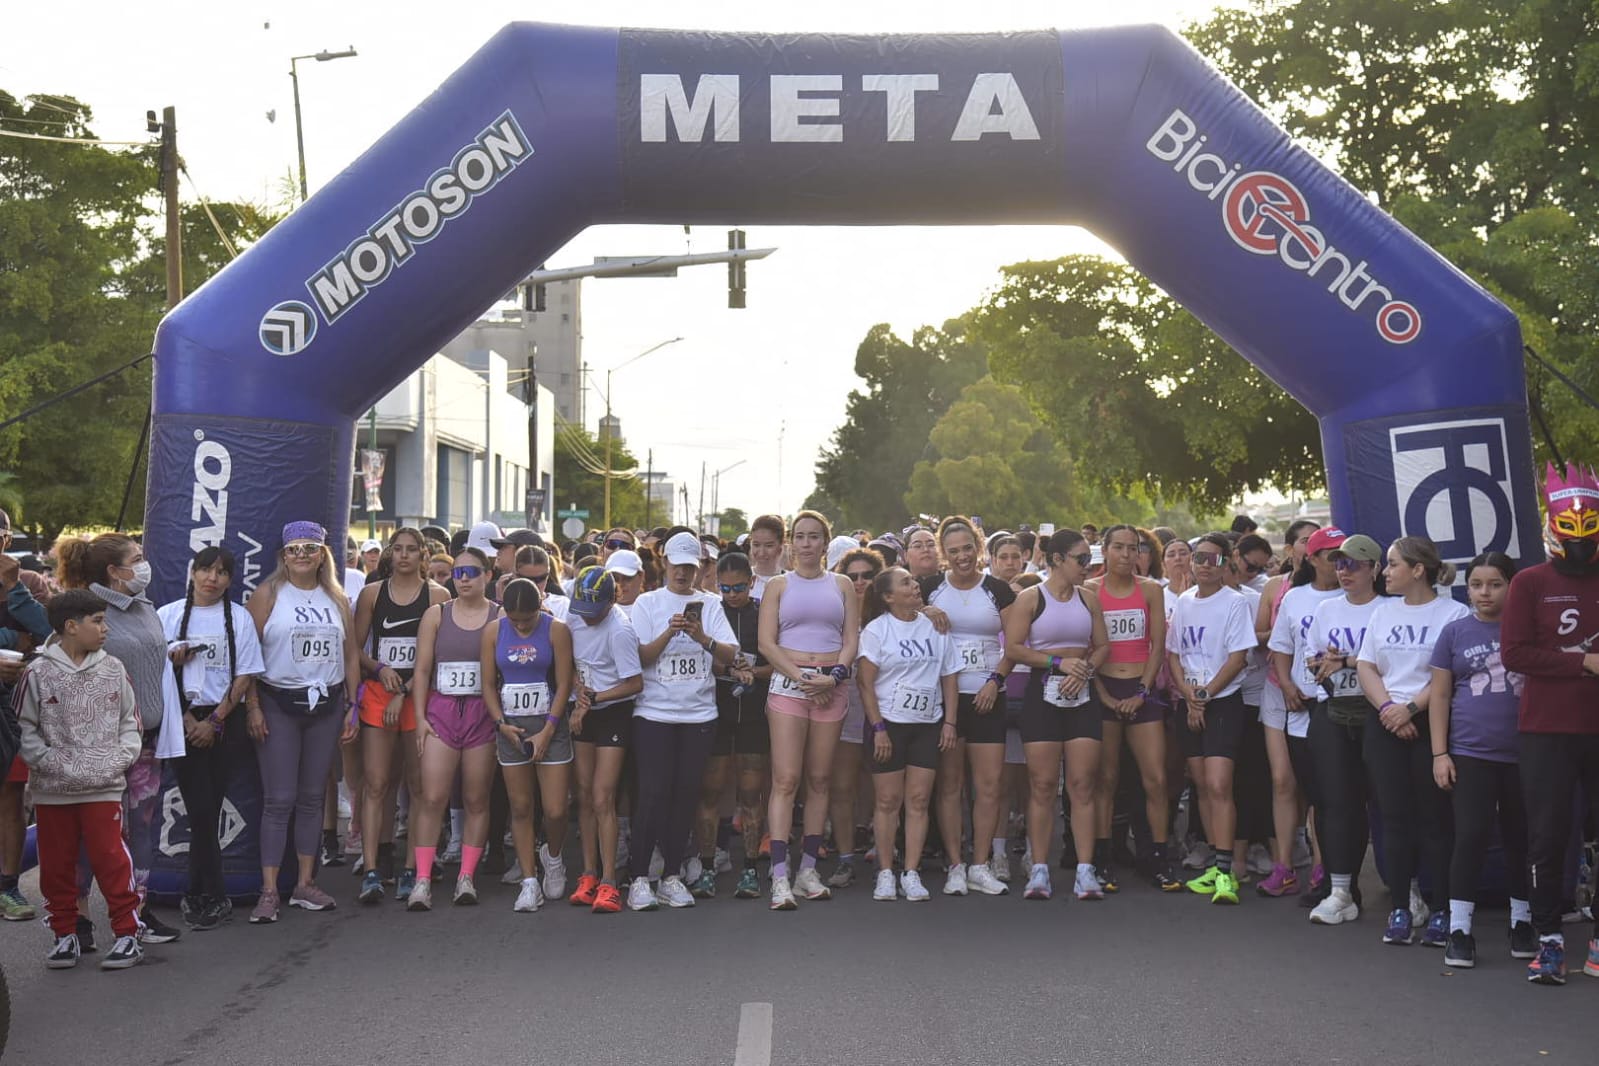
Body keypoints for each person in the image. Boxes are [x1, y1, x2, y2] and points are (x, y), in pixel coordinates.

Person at [57, 533, 183, 942]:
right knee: (91, 833)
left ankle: (138, 912)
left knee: (141, 830)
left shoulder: (143, 605)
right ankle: (78, 916)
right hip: (99, 744)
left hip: (146, 738)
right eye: (137, 558)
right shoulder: (87, 611)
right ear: (114, 571)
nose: (145, 564)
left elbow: (147, 655)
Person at [1501, 463, 1599, 986]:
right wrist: (1581, 663)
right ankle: (1550, 942)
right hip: (1547, 730)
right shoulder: (1530, 582)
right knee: (1547, 837)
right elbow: (1515, 653)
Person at [17, 590, 145, 970]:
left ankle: (126, 933)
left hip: (103, 786)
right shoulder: (37, 672)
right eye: (98, 621)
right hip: (53, 790)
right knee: (56, 864)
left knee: (111, 858)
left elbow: (130, 722)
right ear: (71, 627)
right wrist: (48, 761)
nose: (105, 629)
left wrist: (119, 759)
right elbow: (25, 726)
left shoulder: (114, 668)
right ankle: (64, 933)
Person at [245, 522, 362, 923]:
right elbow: (249, 655)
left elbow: (349, 655)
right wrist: (253, 706)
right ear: (283, 554)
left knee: (313, 797)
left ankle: (305, 883)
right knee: (279, 799)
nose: (301, 556)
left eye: (309, 548)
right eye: (294, 549)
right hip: (279, 703)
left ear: (322, 553)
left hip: (326, 705)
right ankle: (268, 890)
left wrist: (352, 704)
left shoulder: (337, 597)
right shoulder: (268, 594)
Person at [1356, 536, 1468, 946]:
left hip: (1431, 726)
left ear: (1418, 569)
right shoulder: (1382, 613)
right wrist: (1389, 710)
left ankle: (1441, 911)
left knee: (1435, 821)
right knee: (1394, 819)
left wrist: (1411, 710)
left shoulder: (1454, 613)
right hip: (1385, 724)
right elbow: (1366, 666)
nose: (1385, 572)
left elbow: (1449, 675)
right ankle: (1401, 906)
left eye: (1392, 564)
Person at [1428, 552, 1534, 968]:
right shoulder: (1455, 633)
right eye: (1476, 585)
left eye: (1494, 584)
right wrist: (1440, 753)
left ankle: (1522, 920)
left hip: (1526, 753)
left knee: (1520, 839)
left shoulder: (1530, 631)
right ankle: (1459, 928)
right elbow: (1439, 695)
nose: (1484, 593)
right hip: (1470, 753)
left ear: (1512, 586)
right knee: (1469, 838)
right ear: (1466, 587)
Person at [626, 532, 739, 911]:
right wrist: (670, 631)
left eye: (691, 567)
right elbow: (641, 656)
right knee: (654, 792)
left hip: (698, 714)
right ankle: (639, 877)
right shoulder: (647, 602)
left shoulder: (710, 604)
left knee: (685, 795)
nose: (683, 573)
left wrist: (701, 636)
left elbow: (730, 654)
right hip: (655, 713)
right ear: (665, 564)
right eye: (677, 566)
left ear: (699, 568)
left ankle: (672, 875)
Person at [158, 547, 266, 931]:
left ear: (230, 580)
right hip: (180, 720)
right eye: (206, 570)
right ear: (192, 572)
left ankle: (198, 892)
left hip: (224, 721)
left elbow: (245, 674)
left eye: (222, 573)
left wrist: (216, 720)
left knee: (210, 806)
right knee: (198, 808)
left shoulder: (238, 618)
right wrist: (188, 720)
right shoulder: (167, 615)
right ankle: (211, 893)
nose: (212, 578)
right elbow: (158, 675)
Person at [757, 512, 860, 909]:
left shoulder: (843, 584)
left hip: (831, 687)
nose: (806, 544)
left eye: (814, 537)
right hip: (790, 686)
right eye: (799, 537)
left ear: (824, 542)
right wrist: (802, 677)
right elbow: (767, 643)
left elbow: (850, 638)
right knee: (786, 778)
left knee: (820, 780)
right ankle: (780, 875)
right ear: (790, 543)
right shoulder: (779, 586)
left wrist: (833, 676)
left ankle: (807, 869)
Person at [1003, 529, 1110, 902]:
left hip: (1081, 694)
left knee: (1083, 784)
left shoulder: (1089, 598)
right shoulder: (1031, 599)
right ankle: (1039, 868)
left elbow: (1102, 645)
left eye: (1089, 560)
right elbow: (1015, 648)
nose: (1088, 566)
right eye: (1081, 559)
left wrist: (1084, 668)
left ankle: (1085, 869)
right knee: (1043, 785)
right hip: (1043, 693)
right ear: (1058, 560)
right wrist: (1057, 663)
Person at [350, 528, 449, 904]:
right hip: (380, 694)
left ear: (423, 554)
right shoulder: (372, 594)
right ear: (390, 554)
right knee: (375, 783)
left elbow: (438, 657)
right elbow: (355, 650)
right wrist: (379, 671)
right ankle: (372, 869)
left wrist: (406, 689)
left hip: (419, 697)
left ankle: (413, 868)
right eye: (398, 549)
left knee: (419, 785)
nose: (404, 556)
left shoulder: (437, 596)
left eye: (412, 550)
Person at [922, 517, 1015, 896]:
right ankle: (955, 864)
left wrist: (996, 681)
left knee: (989, 785)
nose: (962, 557)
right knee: (950, 785)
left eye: (967, 548)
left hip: (986, 694)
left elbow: (1015, 644)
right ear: (945, 554)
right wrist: (923, 612)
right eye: (954, 551)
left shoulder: (998, 590)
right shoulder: (929, 588)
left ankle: (980, 863)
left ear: (979, 548)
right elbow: (896, 615)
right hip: (944, 699)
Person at [406, 548, 502, 910]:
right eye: (458, 572)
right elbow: (422, 670)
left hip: (482, 713)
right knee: (432, 798)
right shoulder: (437, 614)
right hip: (441, 712)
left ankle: (466, 877)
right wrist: (420, 718)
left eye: (471, 572)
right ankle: (422, 880)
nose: (462, 578)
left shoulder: (499, 615)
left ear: (487, 576)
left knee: (477, 798)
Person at [858, 567, 960, 902]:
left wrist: (949, 723)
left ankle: (911, 872)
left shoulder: (936, 625)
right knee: (888, 801)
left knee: (918, 800)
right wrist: (878, 729)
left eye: (913, 581)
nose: (915, 585)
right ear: (888, 596)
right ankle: (886, 872)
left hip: (927, 724)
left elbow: (949, 675)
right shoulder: (877, 630)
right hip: (889, 724)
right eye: (906, 583)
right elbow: (865, 683)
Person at [1167, 532, 1258, 906]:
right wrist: (1189, 696)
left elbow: (1238, 658)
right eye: (1199, 557)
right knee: (1202, 784)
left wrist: (1203, 697)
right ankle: (1214, 861)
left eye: (1213, 559)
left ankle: (1227, 870)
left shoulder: (1235, 603)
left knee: (1220, 784)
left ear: (1226, 564)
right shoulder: (1184, 602)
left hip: (1223, 702)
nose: (1205, 565)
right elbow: (1173, 654)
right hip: (1190, 702)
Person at [1086, 524, 1177, 892]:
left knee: (1154, 778)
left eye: (1133, 548)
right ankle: (1103, 858)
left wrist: (1142, 690)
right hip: (1104, 687)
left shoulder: (1151, 590)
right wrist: (1103, 694)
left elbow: (1157, 646)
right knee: (1105, 780)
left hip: (1142, 689)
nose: (1126, 555)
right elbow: (1084, 647)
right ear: (1105, 551)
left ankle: (1157, 856)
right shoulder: (1090, 591)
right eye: (1119, 548)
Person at [1304, 533, 1386, 926]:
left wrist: (1349, 661)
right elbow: (1314, 658)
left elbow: (1397, 663)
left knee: (1389, 803)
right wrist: (1321, 664)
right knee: (1336, 802)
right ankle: (1341, 890)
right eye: (1338, 563)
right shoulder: (1326, 610)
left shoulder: (1389, 609)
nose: (1343, 571)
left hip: (1378, 713)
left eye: (1353, 564)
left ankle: (1411, 890)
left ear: (1374, 568)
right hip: (1334, 710)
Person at [481, 578, 575, 913]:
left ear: (540, 608)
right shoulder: (494, 632)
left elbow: (565, 684)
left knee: (555, 809)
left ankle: (553, 856)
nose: (520, 626)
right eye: (515, 619)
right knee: (520, 808)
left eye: (527, 619)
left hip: (549, 726)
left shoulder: (556, 630)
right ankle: (529, 880)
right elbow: (488, 684)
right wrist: (499, 723)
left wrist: (549, 729)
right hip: (512, 730)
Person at [1262, 526, 1343, 899]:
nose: (1341, 563)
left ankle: (1324, 868)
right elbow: (1279, 648)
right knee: (1291, 783)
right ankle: (1285, 866)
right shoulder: (1294, 598)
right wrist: (1289, 685)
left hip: (1339, 707)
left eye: (1346, 555)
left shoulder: (1355, 595)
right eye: (1332, 555)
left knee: (1327, 792)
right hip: (1295, 701)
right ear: (1311, 559)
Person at [564, 566, 643, 913]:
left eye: (594, 612)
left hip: (613, 710)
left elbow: (634, 683)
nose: (587, 619)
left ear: (613, 601)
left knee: (602, 796)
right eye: (583, 610)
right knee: (583, 795)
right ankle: (589, 873)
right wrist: (578, 693)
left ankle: (610, 881)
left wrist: (594, 699)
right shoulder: (574, 613)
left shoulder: (620, 630)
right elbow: (568, 660)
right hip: (584, 704)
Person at [696, 552, 772, 899]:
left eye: (739, 587)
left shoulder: (764, 614)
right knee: (710, 792)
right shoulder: (712, 612)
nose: (731, 595)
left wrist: (750, 673)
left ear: (751, 582)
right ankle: (708, 867)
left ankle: (751, 869)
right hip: (716, 712)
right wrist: (729, 671)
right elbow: (702, 663)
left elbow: (779, 664)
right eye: (724, 588)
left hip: (754, 715)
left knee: (750, 794)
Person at [0, 510, 50, 922]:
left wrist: (14, 585)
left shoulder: (29, 581)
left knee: (11, 798)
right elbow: (19, 637)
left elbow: (49, 631)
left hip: (14, 706)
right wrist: (11, 638)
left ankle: (8, 887)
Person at [747, 515, 785, 598]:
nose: (761, 553)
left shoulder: (791, 582)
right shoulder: (740, 580)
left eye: (769, 545)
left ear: (781, 545)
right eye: (756, 545)